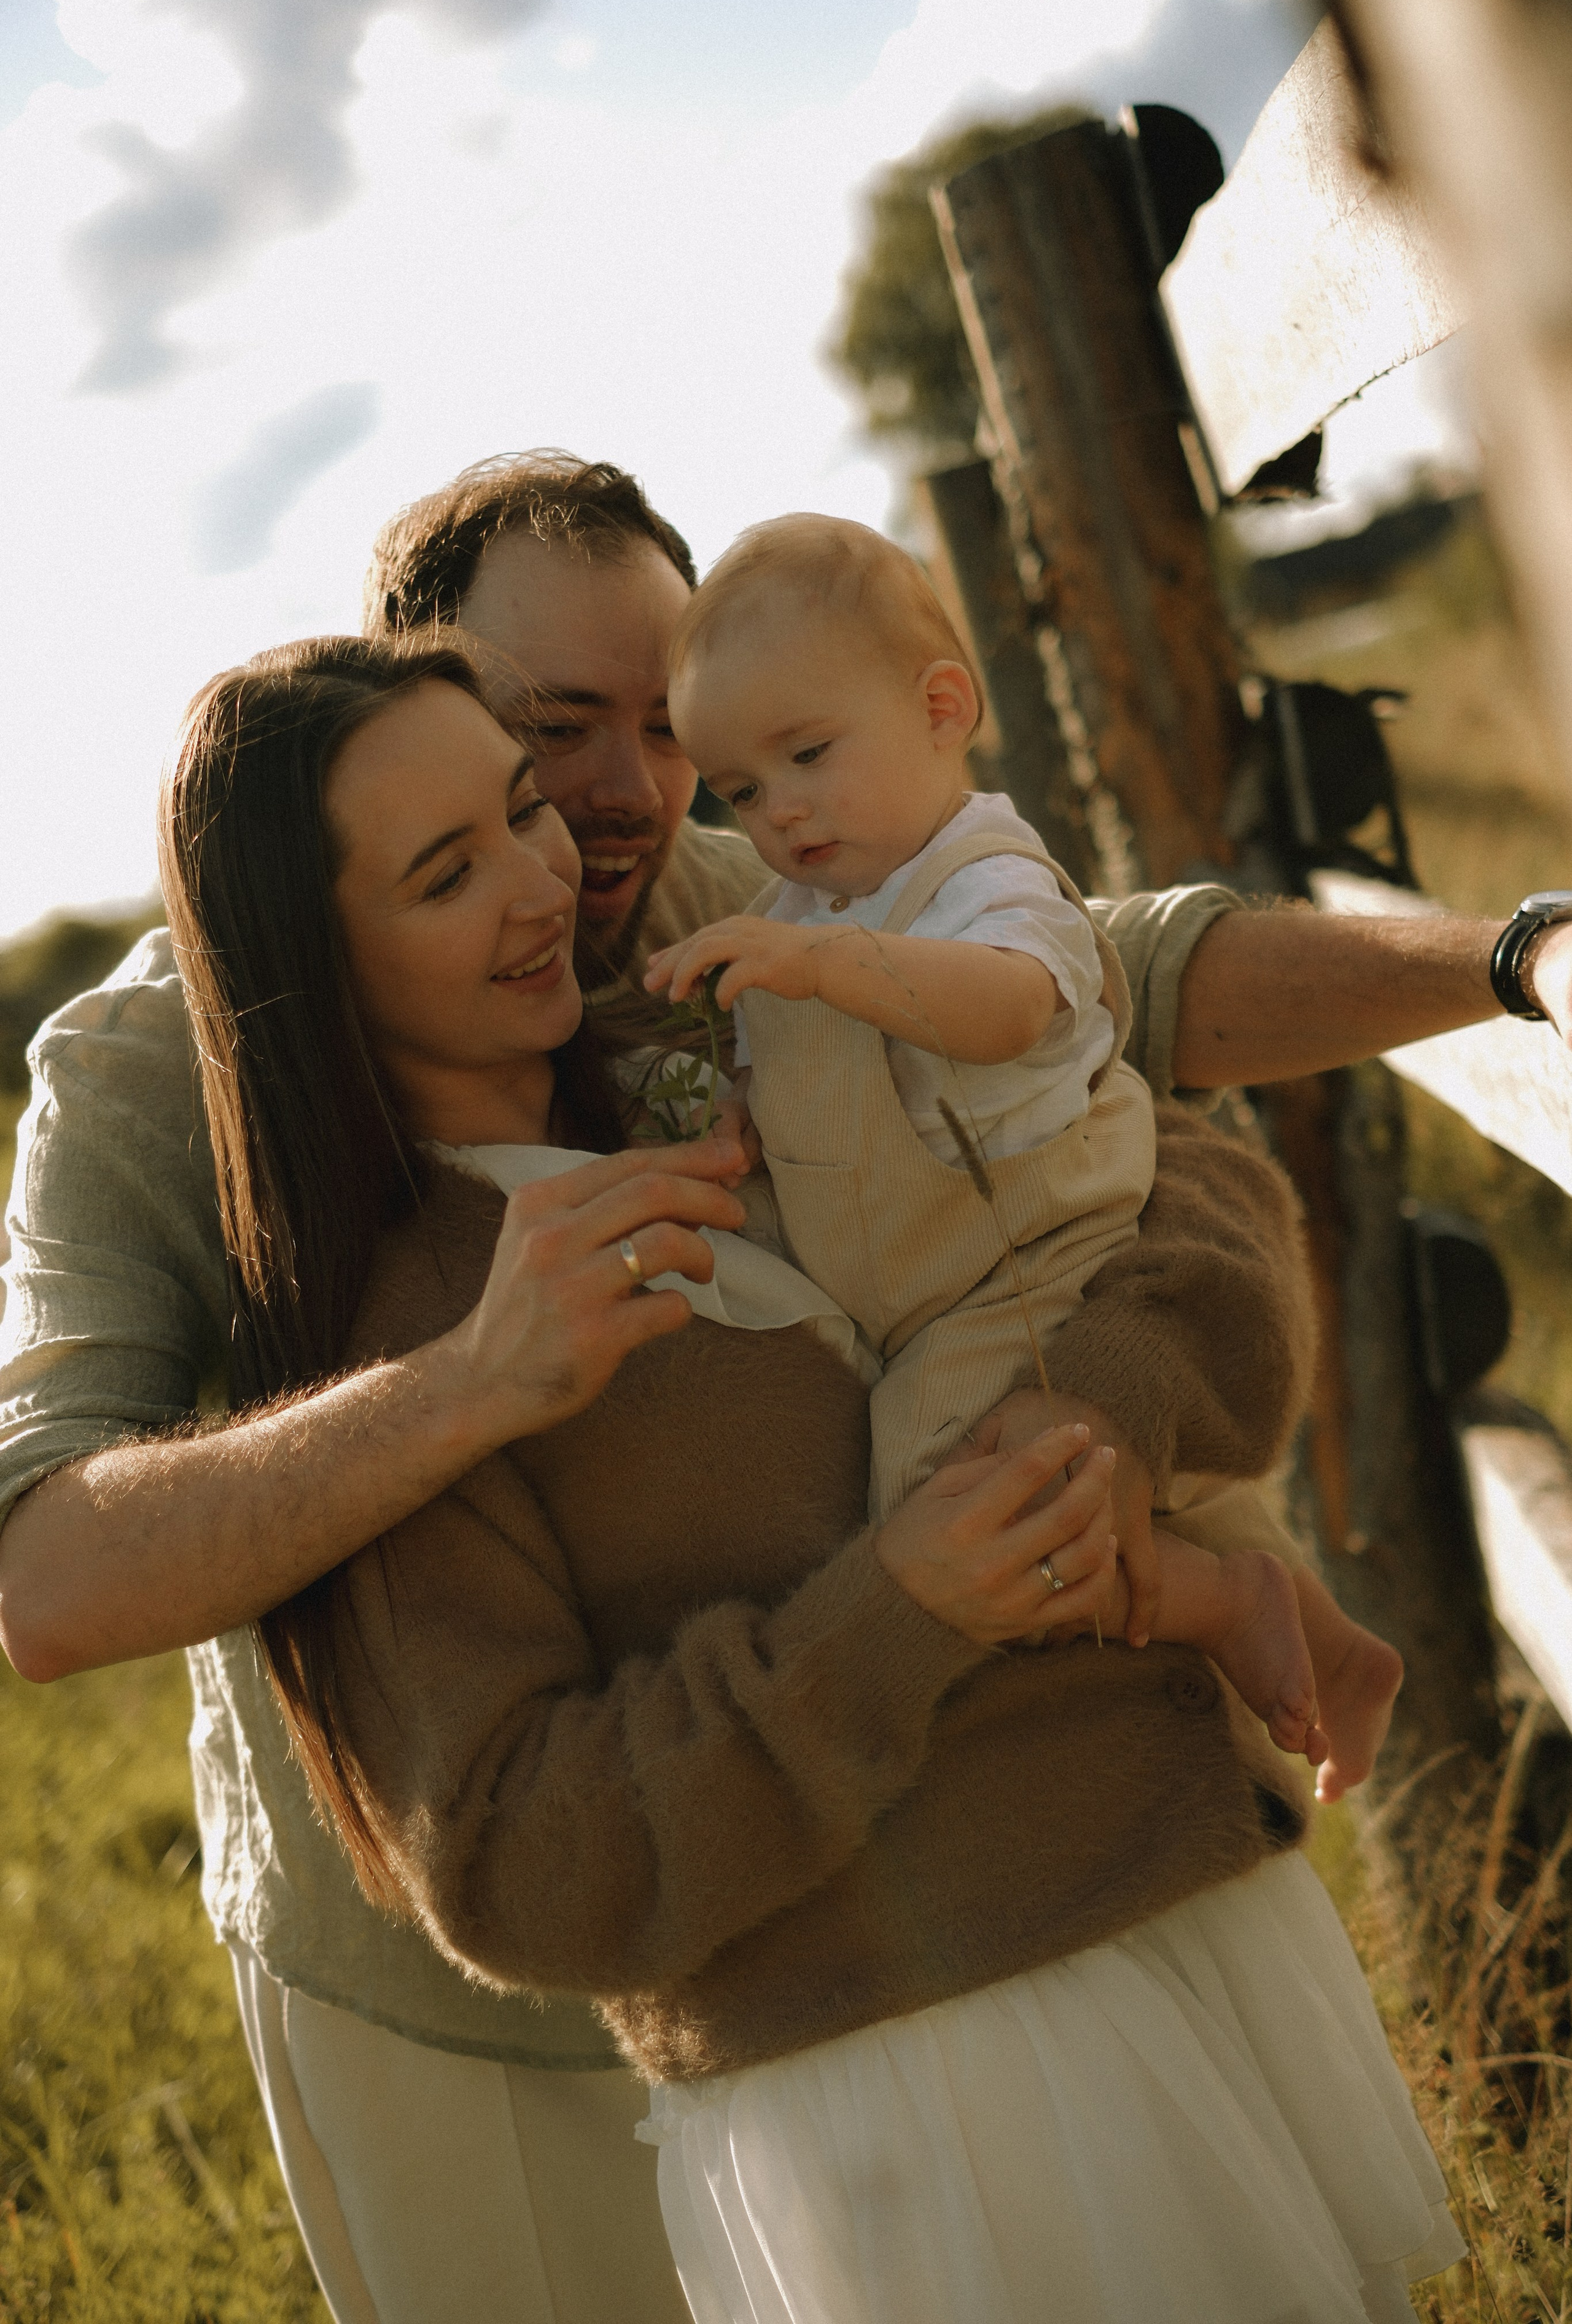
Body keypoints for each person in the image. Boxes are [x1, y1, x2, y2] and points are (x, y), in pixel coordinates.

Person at [0, 448, 1556, 2317]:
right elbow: (50, 1575)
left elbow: (1092, 1007)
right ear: (389, 692)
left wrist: (1515, 957)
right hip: (448, 1964)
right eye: (545, 733)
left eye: (665, 735)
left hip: (911, 1922)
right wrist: (473, 1381)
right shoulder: (153, 1078)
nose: (610, 812)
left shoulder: (706, 898)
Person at [646, 512, 1409, 1791]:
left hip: (1033, 1246)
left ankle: (1219, 1602)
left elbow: (1005, 1008)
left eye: (807, 755)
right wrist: (741, 1106)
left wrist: (828, 965)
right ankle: (1317, 1630)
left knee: (946, 1511)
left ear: (942, 705)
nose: (778, 812)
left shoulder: (983, 875)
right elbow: (796, 1065)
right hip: (928, 1277)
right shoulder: (795, 910)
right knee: (1070, 1475)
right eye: (741, 790)